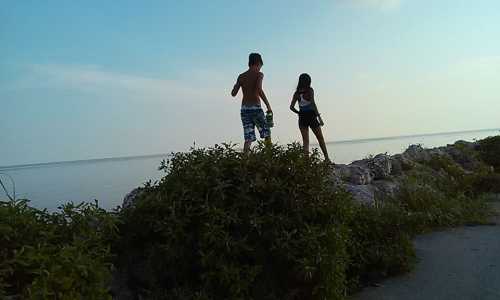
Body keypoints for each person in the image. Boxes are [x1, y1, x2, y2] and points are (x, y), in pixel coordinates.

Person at [231, 53, 273, 152]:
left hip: (244, 109)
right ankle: (270, 157)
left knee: (248, 138)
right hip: (256, 108)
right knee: (267, 133)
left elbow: (233, 93)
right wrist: (268, 105)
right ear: (258, 63)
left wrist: (237, 85)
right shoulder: (259, 74)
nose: (260, 69)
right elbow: (259, 89)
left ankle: (245, 162)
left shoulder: (241, 76)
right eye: (260, 66)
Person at [289, 73, 331, 162]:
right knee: (320, 138)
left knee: (306, 141)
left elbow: (291, 107)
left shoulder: (296, 93)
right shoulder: (310, 90)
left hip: (302, 117)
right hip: (311, 116)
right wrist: (319, 117)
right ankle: (327, 158)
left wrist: (298, 113)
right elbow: (313, 104)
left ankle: (306, 163)